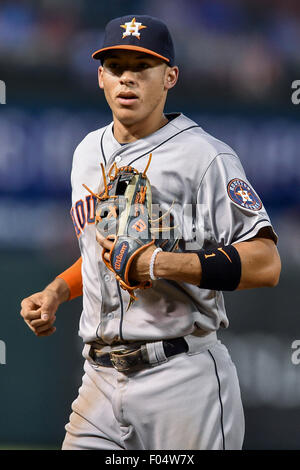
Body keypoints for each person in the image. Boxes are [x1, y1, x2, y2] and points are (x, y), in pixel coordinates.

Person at [20, 15, 281, 450]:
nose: (128, 79)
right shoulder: (87, 152)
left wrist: (157, 262)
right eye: (116, 67)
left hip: (182, 377)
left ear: (170, 77)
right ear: (101, 77)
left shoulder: (207, 157)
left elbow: (267, 263)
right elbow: (101, 252)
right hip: (100, 379)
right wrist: (56, 292)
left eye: (143, 67)